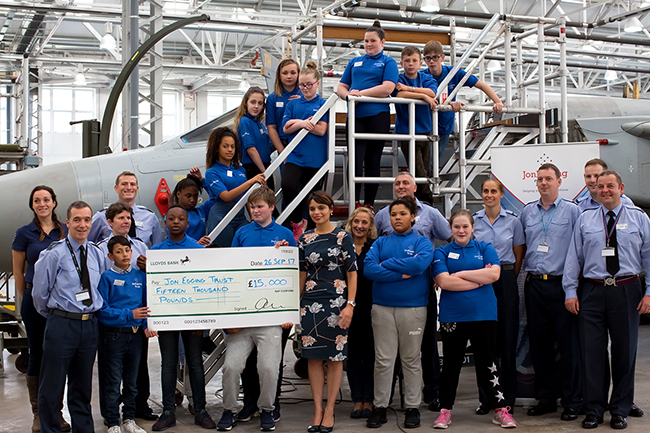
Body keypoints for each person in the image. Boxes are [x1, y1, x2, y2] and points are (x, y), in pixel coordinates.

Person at [564, 170, 650, 429]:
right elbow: (573, 258)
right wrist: (570, 291)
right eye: (600, 187)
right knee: (592, 354)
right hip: (592, 291)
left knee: (625, 352)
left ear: (621, 188)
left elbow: (649, 256)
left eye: (610, 186)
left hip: (627, 289)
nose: (605, 190)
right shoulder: (585, 219)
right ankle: (594, 409)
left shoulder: (639, 218)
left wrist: (649, 293)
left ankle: (620, 409)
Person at [217, 187, 296, 432]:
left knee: (269, 367)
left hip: (271, 316)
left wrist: (288, 313)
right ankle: (229, 409)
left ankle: (268, 409)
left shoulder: (285, 234)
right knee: (232, 366)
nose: (254, 211)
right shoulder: (241, 233)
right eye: (251, 207)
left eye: (259, 206)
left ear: (271, 207)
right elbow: (231, 271)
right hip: (243, 314)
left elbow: (291, 275)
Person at [432, 209, 517, 429]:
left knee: (488, 362)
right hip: (453, 316)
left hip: (484, 314)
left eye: (465, 226)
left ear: (472, 228)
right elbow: (444, 282)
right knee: (451, 365)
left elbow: (494, 275)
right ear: (450, 229)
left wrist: (458, 274)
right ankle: (445, 411)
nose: (461, 231)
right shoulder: (441, 252)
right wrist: (479, 278)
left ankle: (500, 409)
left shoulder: (485, 248)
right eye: (456, 227)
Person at [374, 172, 451, 411]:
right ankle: (391, 399)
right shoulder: (382, 215)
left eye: (405, 182)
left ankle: (432, 392)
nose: (401, 186)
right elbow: (377, 249)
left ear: (415, 187)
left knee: (426, 343)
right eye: (397, 183)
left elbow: (450, 239)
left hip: (420, 288)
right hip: (388, 291)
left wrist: (441, 271)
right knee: (389, 351)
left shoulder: (431, 214)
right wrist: (395, 269)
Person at [32, 201, 106, 433]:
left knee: (82, 386)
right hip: (62, 324)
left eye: (86, 220)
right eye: (77, 220)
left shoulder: (96, 254)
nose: (82, 225)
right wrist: (58, 316)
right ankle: (51, 429)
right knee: (52, 386)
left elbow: (99, 287)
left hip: (89, 325)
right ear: (68, 222)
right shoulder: (54, 254)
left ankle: (84, 430)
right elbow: (39, 294)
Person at [364, 196, 434, 429]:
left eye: (402, 214)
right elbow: (369, 269)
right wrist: (400, 269)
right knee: (383, 360)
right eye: (393, 214)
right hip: (382, 308)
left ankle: (413, 408)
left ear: (413, 216)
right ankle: (380, 407)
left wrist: (388, 264)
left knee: (411, 360)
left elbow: (419, 266)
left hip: (413, 309)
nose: (397, 218)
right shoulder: (380, 243)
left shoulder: (422, 243)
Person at [519, 163, 582, 420]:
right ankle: (546, 399)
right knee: (540, 344)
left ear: (559, 181)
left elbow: (578, 251)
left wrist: (572, 289)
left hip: (562, 285)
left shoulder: (573, 211)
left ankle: (571, 401)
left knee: (568, 347)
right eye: (540, 179)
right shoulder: (527, 212)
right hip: (535, 284)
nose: (543, 183)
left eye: (548, 179)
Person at [149, 205, 216, 430]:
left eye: (181, 219)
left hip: (193, 319)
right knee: (168, 363)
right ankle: (168, 411)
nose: (176, 222)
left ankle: (200, 409)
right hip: (167, 318)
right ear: (165, 222)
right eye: (171, 218)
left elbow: (205, 287)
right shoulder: (156, 253)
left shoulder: (197, 250)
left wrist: (204, 322)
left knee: (195, 363)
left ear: (188, 224)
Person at [12, 185, 69, 433]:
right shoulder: (24, 233)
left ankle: (57, 412)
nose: (42, 203)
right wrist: (28, 298)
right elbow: (18, 271)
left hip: (61, 301)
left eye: (46, 199)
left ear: (54, 202)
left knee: (58, 356)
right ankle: (38, 414)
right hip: (34, 301)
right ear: (32, 205)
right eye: (37, 200)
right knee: (37, 354)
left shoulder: (64, 231)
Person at [299, 191, 357, 433]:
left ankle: (330, 409)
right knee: (313, 357)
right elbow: (302, 272)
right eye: (313, 208)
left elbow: (352, 272)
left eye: (321, 208)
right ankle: (317, 410)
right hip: (311, 302)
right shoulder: (305, 238)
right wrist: (295, 304)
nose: (316, 212)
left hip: (337, 304)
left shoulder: (343, 237)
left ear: (331, 209)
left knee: (335, 359)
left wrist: (350, 305)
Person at [472, 179, 525, 413]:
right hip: (482, 281)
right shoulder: (474, 221)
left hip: (505, 279)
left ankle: (508, 399)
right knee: (484, 342)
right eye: (485, 191)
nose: (489, 195)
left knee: (507, 340)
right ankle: (487, 399)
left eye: (494, 191)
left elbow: (518, 254)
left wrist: (505, 278)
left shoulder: (513, 221)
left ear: (502, 194)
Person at [95, 202, 148, 425]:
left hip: (136, 334)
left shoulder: (139, 273)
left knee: (132, 380)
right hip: (114, 334)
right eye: (119, 251)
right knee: (112, 378)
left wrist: (146, 326)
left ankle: (129, 419)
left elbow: (146, 303)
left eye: (127, 250)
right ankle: (112, 421)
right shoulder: (105, 273)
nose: (125, 254)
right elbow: (103, 308)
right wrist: (129, 314)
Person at [336, 19, 398, 209]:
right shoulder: (355, 62)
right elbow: (341, 86)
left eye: (372, 40)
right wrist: (348, 97)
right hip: (355, 116)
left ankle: (369, 204)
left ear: (383, 42)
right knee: (354, 160)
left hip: (377, 116)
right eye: (366, 41)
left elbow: (387, 87)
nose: (369, 44)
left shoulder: (388, 62)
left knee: (372, 160)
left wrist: (360, 94)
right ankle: (354, 201)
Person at [422, 41, 503, 162]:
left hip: (445, 124)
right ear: (424, 60)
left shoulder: (454, 73)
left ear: (442, 57)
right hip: (425, 124)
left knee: (433, 161)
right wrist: (449, 103)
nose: (432, 61)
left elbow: (481, 85)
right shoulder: (422, 76)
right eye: (428, 58)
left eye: (435, 57)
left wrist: (497, 101)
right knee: (423, 162)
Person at [190, 127, 265, 247]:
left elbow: (245, 196)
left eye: (233, 146)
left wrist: (252, 218)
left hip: (240, 216)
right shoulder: (212, 172)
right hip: (221, 215)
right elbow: (226, 196)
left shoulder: (240, 169)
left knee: (248, 245)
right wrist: (250, 182)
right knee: (224, 253)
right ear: (217, 148)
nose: (230, 150)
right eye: (225, 146)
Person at [281, 60, 329, 241]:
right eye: (301, 85)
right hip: (295, 155)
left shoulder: (324, 104)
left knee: (313, 196)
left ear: (317, 83)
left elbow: (321, 130)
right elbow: (285, 128)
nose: (305, 88)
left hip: (315, 157)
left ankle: (311, 233)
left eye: (309, 84)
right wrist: (302, 123)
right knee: (288, 185)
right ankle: (297, 221)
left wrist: (296, 124)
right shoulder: (293, 104)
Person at [392, 46, 438, 204]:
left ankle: (420, 204)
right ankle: (427, 203)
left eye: (414, 61)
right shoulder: (397, 78)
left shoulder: (426, 77)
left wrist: (410, 89)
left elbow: (432, 93)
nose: (410, 64)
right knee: (418, 171)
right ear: (401, 62)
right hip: (406, 131)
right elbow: (398, 93)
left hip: (425, 131)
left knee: (424, 171)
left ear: (420, 63)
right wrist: (422, 96)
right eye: (407, 61)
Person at [344, 208, 377, 420]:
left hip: (371, 307)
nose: (360, 226)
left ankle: (370, 400)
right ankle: (357, 399)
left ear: (370, 226)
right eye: (357, 221)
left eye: (364, 222)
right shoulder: (342, 247)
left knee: (371, 355)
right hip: (348, 309)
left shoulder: (375, 247)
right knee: (353, 356)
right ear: (351, 223)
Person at [88, 171, 163, 249]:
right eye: (124, 184)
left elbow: (158, 248)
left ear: (137, 189)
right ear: (116, 188)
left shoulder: (149, 217)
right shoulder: (102, 216)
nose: (129, 187)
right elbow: (86, 243)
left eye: (132, 184)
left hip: (140, 259)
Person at [235, 86, 279, 190]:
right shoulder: (245, 121)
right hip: (254, 169)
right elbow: (251, 150)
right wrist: (264, 173)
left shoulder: (261, 124)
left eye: (260, 103)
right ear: (246, 103)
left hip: (265, 166)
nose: (256, 106)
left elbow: (268, 147)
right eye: (253, 102)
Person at [96, 202, 148, 270]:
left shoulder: (141, 246)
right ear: (110, 222)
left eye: (128, 218)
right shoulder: (101, 249)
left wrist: (146, 268)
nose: (126, 221)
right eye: (121, 218)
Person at [266, 58, 301, 152]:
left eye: (293, 73)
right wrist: (282, 152)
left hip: (302, 141)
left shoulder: (305, 96)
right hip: (282, 143)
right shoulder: (272, 98)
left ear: (298, 75)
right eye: (285, 73)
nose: (289, 76)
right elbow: (271, 127)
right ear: (279, 76)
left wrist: (303, 102)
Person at [171, 174, 214, 245]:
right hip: (183, 251)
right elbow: (175, 236)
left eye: (195, 196)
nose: (192, 200)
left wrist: (202, 180)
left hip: (201, 250)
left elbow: (215, 198)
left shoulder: (202, 211)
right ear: (178, 194)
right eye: (188, 196)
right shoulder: (172, 215)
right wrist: (195, 243)